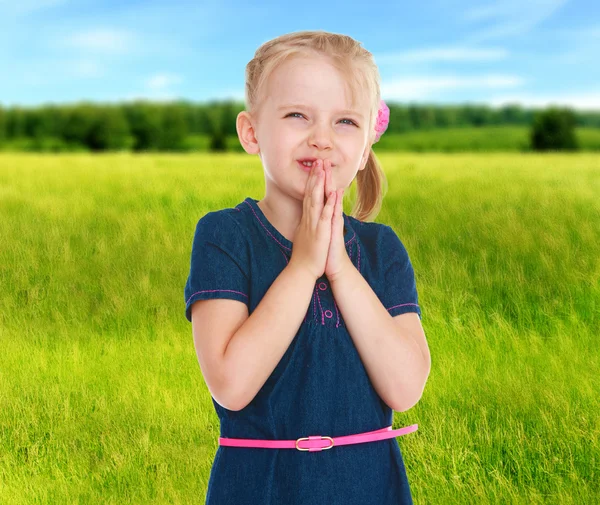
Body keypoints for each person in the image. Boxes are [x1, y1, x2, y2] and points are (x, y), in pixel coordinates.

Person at [184, 29, 431, 505]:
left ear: (365, 148)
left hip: (370, 488)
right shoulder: (224, 236)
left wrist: (339, 267)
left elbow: (404, 388)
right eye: (298, 115)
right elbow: (231, 385)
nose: (321, 139)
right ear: (251, 132)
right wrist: (303, 267)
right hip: (260, 489)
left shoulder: (382, 249)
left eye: (344, 122)